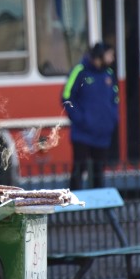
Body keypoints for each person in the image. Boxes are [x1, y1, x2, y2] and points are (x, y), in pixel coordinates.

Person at [61, 42, 119, 189]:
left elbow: (115, 99)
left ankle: (98, 207)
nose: (112, 58)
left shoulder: (109, 74)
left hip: (103, 133)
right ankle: (74, 204)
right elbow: (66, 97)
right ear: (100, 56)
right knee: (79, 170)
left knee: (99, 172)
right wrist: (80, 118)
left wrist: (112, 118)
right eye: (109, 55)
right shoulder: (80, 71)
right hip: (82, 134)